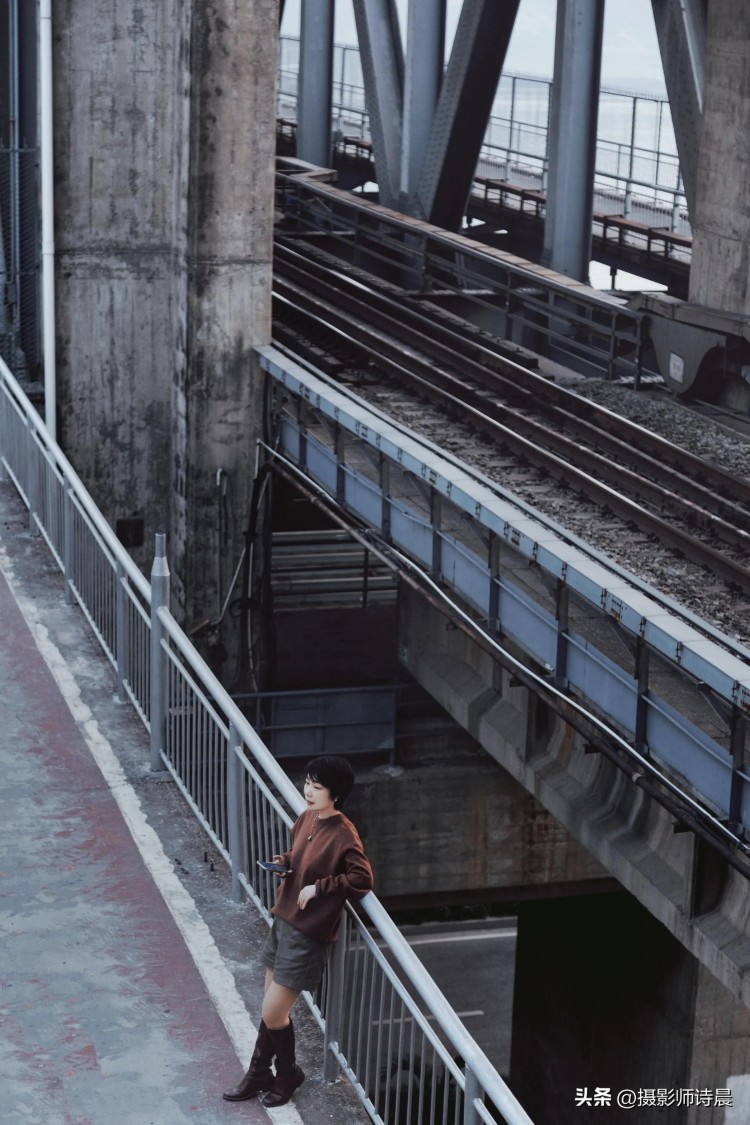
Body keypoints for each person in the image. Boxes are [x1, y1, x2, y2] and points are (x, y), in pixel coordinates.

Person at [222, 754, 374, 1109]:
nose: (307, 791)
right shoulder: (308, 816)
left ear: (335, 794)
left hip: (308, 932)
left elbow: (362, 879)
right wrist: (284, 862)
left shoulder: (344, 833)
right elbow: (299, 854)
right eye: (307, 783)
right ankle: (260, 1071)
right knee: (269, 1008)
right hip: (284, 918)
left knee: (275, 1012)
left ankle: (287, 1074)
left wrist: (320, 888)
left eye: (316, 787)